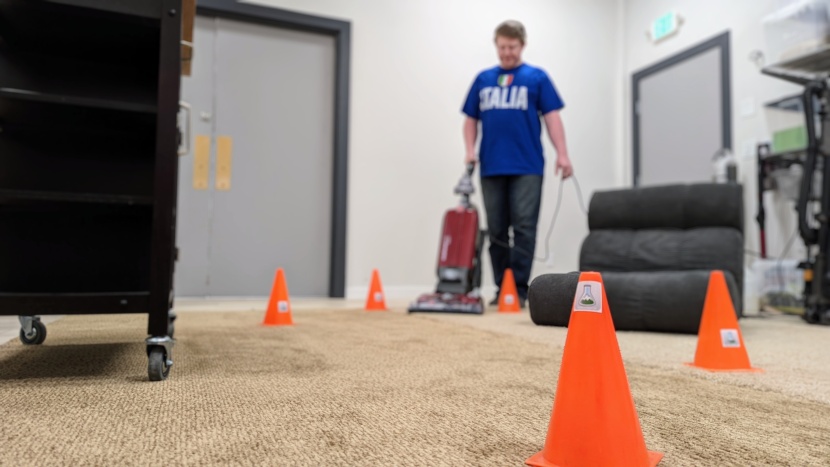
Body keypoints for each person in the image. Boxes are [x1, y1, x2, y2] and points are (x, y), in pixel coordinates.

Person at [461, 20, 573, 308]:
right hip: (492, 166)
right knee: (497, 230)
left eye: (511, 47)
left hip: (527, 166)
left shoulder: (536, 77)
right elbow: (470, 120)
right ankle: (503, 288)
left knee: (524, 227)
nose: (507, 52)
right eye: (502, 47)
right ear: (496, 46)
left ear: (522, 45)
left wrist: (562, 154)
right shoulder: (483, 79)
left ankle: (520, 290)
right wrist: (469, 151)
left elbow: (552, 118)